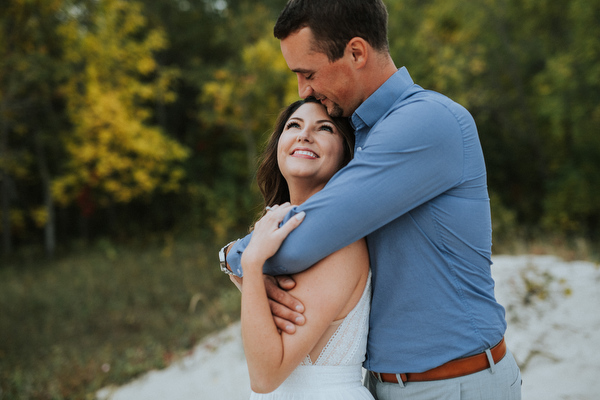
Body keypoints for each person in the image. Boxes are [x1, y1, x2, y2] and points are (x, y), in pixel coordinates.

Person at [220, 0, 522, 399]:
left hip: (453, 384)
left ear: (357, 53)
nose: (303, 90)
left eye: (307, 74)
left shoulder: (425, 122)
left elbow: (306, 239)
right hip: (383, 384)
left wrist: (236, 257)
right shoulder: (358, 134)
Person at [231, 97, 374, 399]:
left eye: (325, 128)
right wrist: (235, 260)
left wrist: (253, 264)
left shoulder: (341, 240)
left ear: (345, 154)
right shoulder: (277, 228)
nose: (304, 134)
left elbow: (265, 376)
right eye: (294, 125)